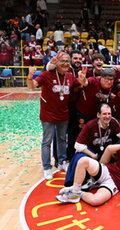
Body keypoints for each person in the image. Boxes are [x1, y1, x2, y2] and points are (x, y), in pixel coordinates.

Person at [26, 52, 84, 180]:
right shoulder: (46, 75)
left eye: (67, 61)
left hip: (63, 114)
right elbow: (31, 86)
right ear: (55, 63)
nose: (66, 63)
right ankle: (47, 167)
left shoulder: (69, 76)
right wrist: (30, 76)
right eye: (62, 61)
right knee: (47, 141)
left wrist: (83, 79)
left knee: (62, 139)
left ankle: (62, 162)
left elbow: (80, 85)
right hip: (48, 114)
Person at [56, 139, 120, 205]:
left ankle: (78, 193)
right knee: (83, 161)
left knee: (95, 201)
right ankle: (75, 190)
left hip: (115, 183)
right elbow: (109, 149)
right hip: (107, 171)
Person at [64, 103, 120, 186]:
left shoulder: (113, 122)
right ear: (98, 115)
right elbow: (77, 145)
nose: (107, 116)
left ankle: (101, 179)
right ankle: (75, 185)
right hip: (90, 151)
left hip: (104, 152)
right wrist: (92, 155)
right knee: (79, 157)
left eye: (109, 114)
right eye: (104, 114)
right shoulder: (90, 125)